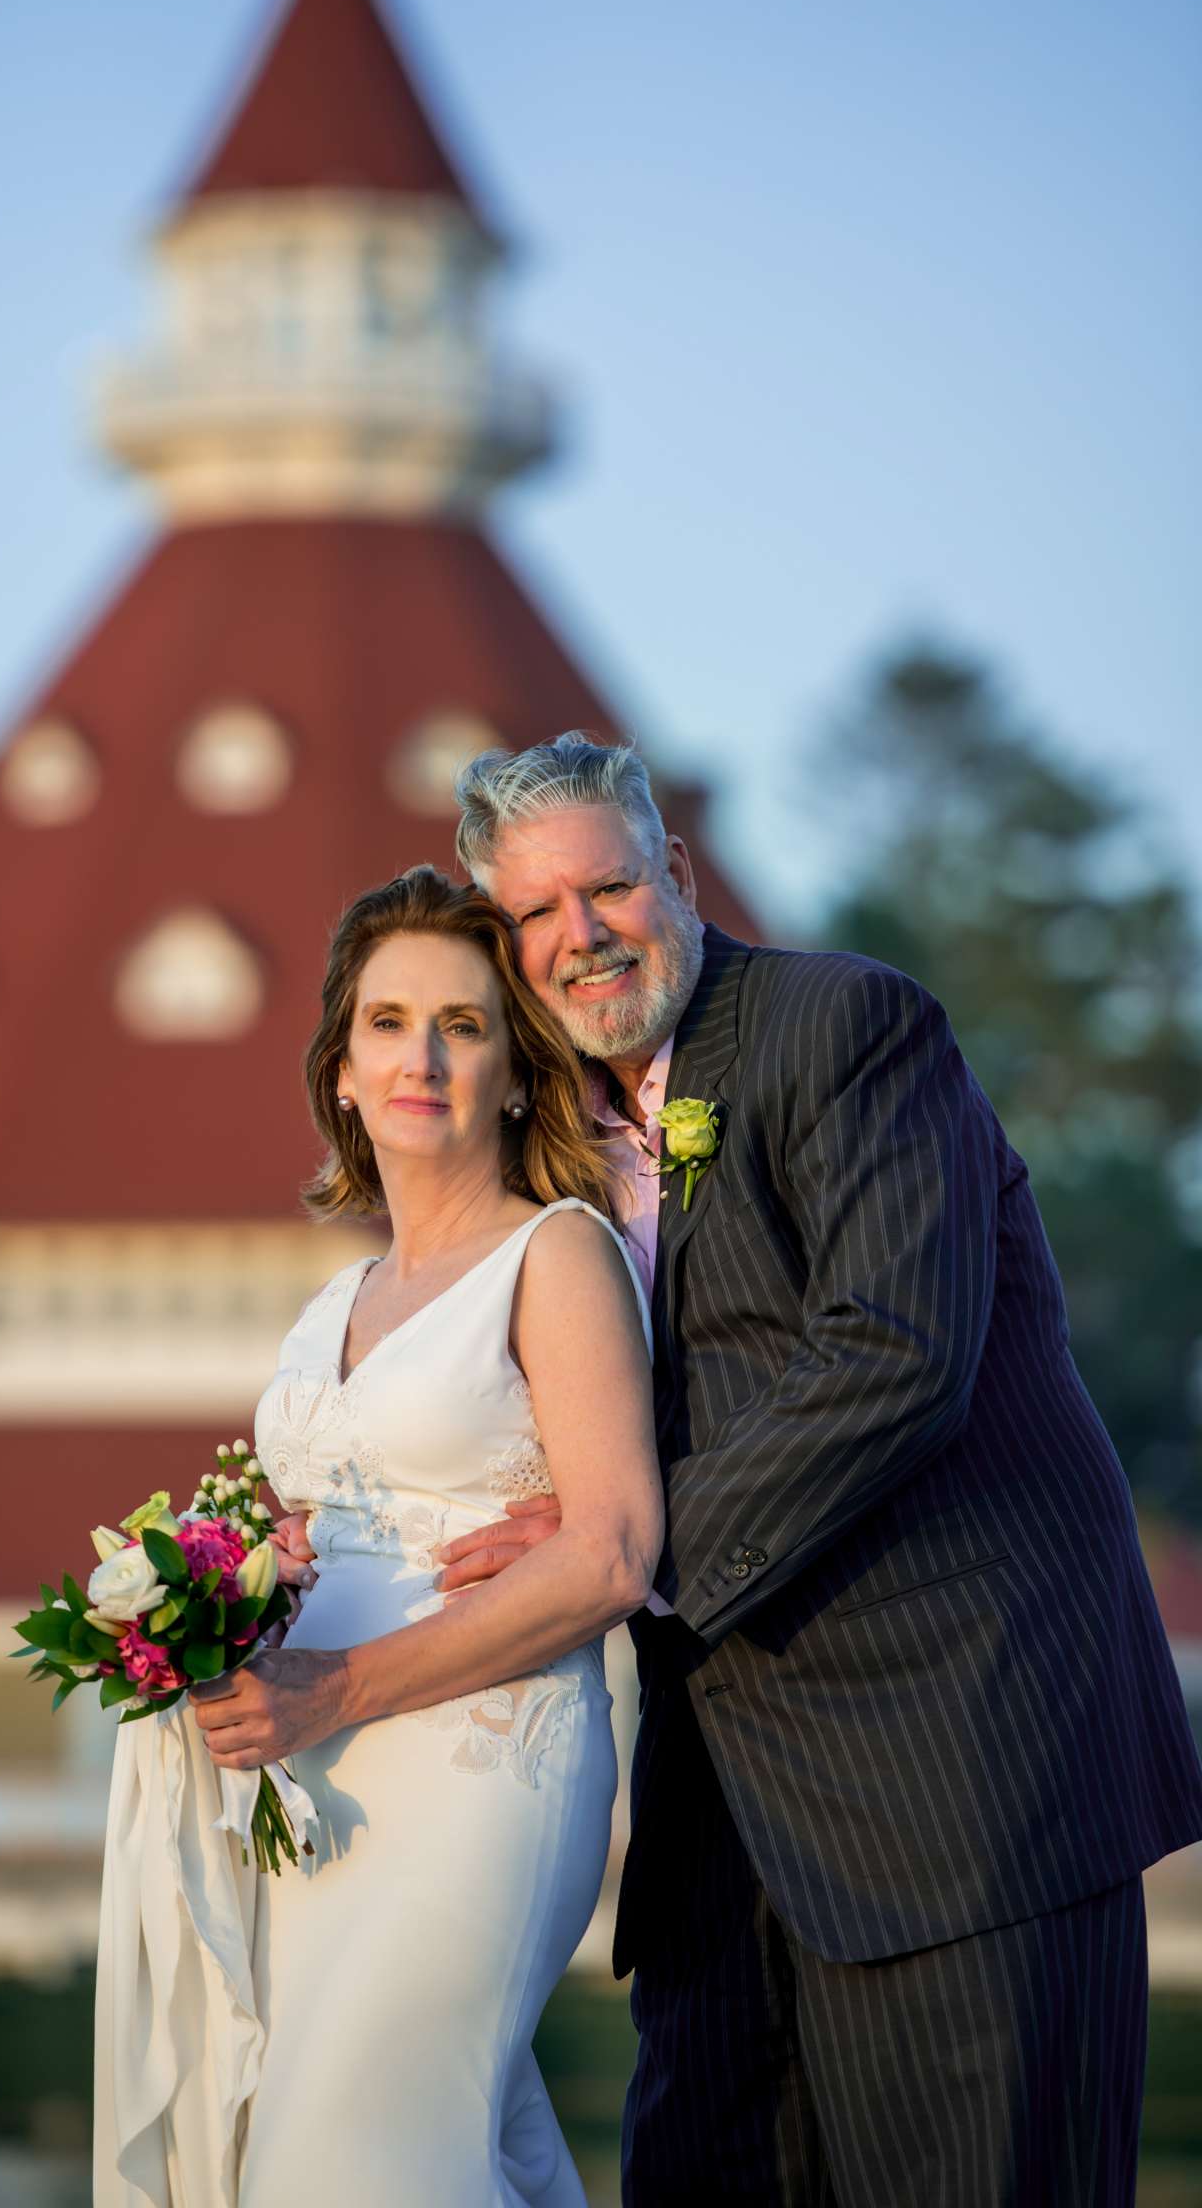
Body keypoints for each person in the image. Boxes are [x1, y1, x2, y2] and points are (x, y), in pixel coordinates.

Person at [395, 732, 1202, 2208]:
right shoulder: (554, 1154)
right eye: (533, 916)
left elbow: (895, 1353)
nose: (581, 938)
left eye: (611, 889)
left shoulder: (848, 1029)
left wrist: (617, 1545)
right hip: (721, 1852)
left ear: (678, 876)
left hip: (968, 1801)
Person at [189, 863, 661, 2206]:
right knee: (469, 2153)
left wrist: (333, 1684)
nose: (423, 1056)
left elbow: (614, 1550)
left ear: (519, 1074)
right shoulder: (333, 1297)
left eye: (463, 1024)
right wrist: (215, 1614)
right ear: (341, 1071)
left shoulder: (555, 1255)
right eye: (388, 1023)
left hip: (474, 1768)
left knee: (350, 2161)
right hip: (314, 1786)